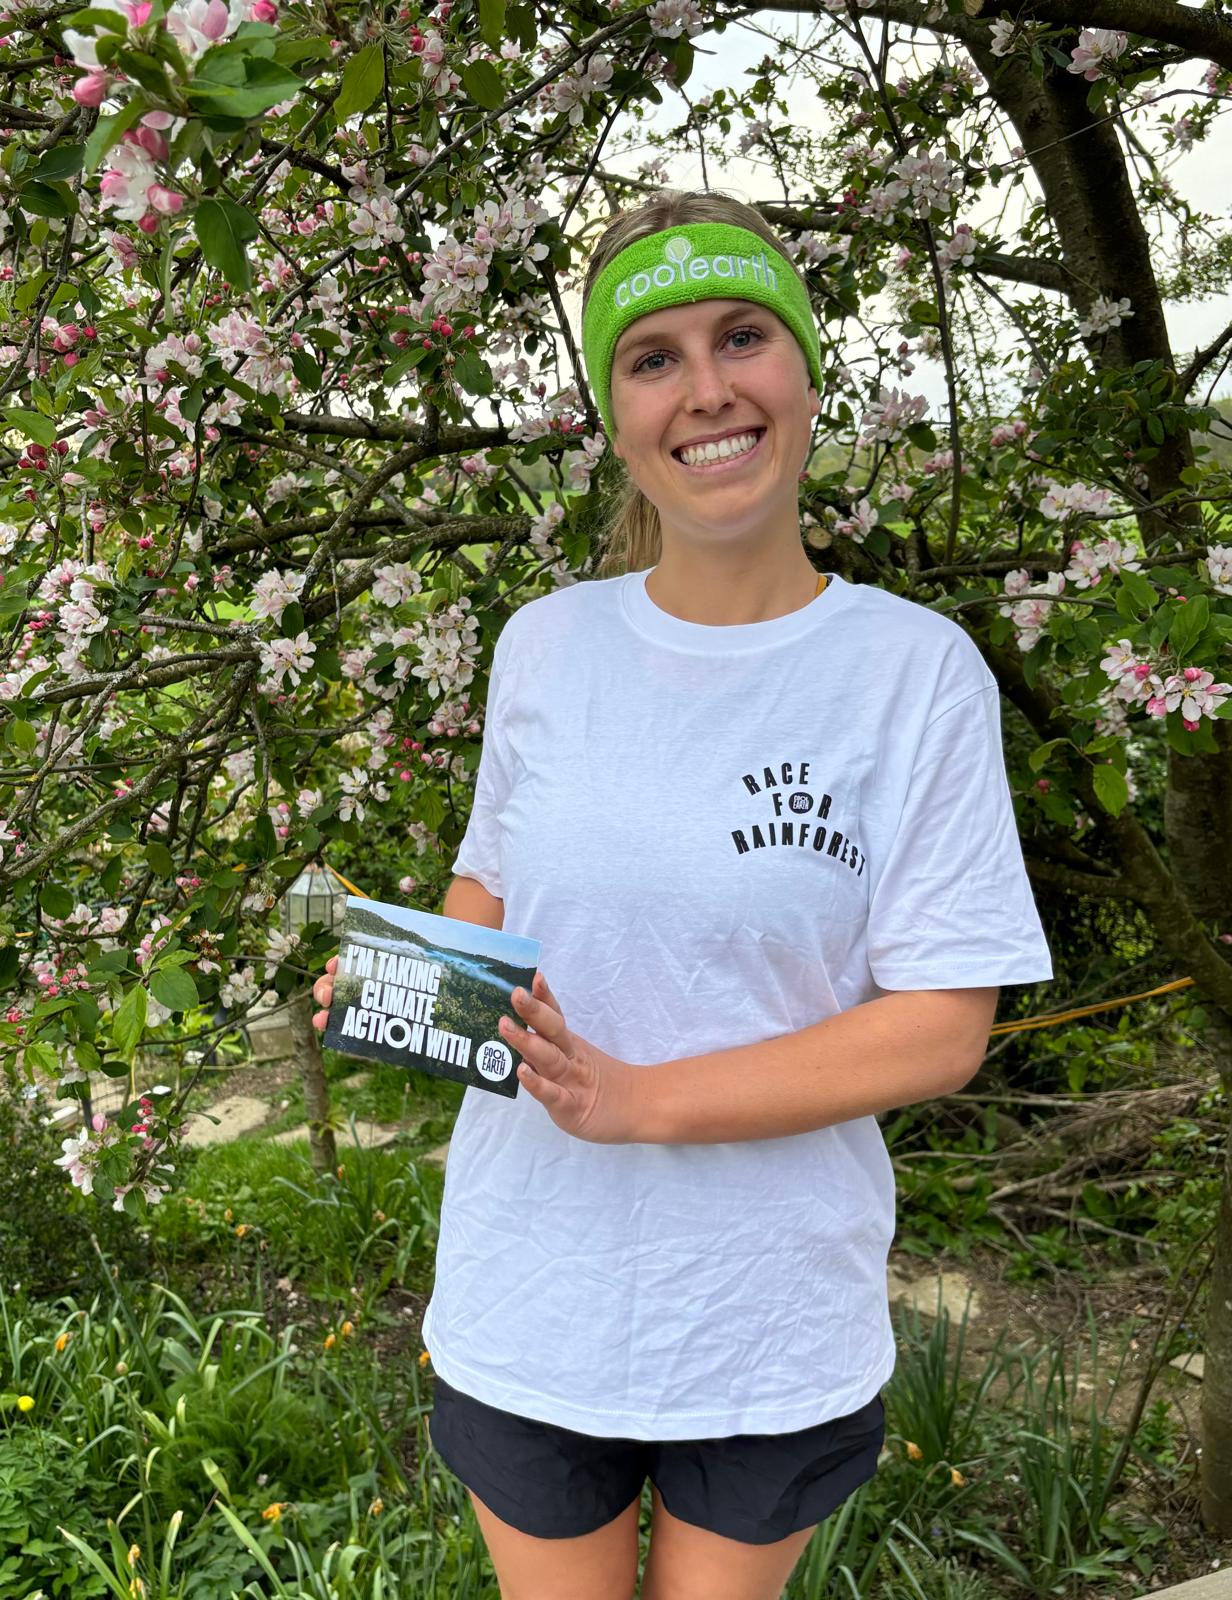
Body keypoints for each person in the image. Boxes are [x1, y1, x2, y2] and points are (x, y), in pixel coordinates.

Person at [312, 189, 1053, 1600]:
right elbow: (493, 877)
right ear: (613, 409)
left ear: (807, 368)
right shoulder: (544, 645)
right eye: (652, 357)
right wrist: (415, 987)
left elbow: (943, 1026)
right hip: (537, 1288)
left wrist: (641, 1100)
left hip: (764, 1316)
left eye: (741, 337)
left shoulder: (914, 672)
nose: (707, 390)